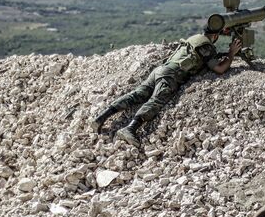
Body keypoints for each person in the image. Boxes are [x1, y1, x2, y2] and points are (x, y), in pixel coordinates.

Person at [93, 28, 243, 147]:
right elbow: (220, 69)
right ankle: (130, 128)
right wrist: (231, 54)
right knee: (156, 100)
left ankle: (102, 117)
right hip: (171, 75)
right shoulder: (206, 46)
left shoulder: (193, 39)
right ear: (215, 36)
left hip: (160, 70)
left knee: (137, 94)